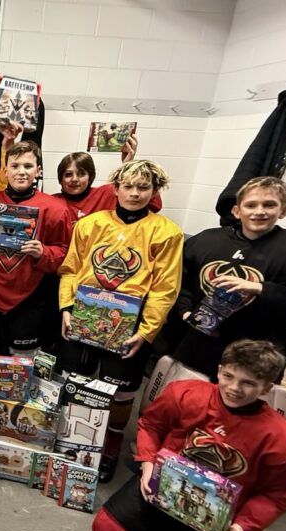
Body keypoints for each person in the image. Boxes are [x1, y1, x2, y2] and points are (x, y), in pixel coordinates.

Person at [92, 340, 286, 531]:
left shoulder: (283, 440)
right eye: (228, 376)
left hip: (217, 515)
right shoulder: (185, 393)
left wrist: (243, 527)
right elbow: (151, 424)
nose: (234, 388)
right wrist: (147, 464)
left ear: (266, 388)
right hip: (163, 488)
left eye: (248, 383)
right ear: (219, 371)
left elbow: (280, 494)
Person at [58, 159, 183, 482]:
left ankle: (112, 437)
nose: (134, 193)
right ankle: (73, 433)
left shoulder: (166, 232)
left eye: (143, 187)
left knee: (121, 389)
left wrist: (147, 330)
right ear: (115, 189)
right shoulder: (90, 225)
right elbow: (71, 269)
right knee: (77, 377)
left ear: (155, 191)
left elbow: (165, 288)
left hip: (131, 321)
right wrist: (66, 308)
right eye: (128, 186)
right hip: (85, 313)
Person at [171, 177, 286, 377]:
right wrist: (184, 311)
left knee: (240, 405)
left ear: (283, 211)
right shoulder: (205, 241)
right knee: (185, 402)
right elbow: (178, 283)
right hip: (197, 347)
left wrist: (260, 288)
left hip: (259, 355)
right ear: (236, 211)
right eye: (251, 205)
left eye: (269, 205)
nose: (259, 211)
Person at [0, 141, 73, 354]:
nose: (21, 172)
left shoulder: (56, 209)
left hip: (31, 294)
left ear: (38, 170)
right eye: (15, 166)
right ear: (5, 170)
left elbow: (64, 252)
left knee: (24, 358)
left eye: (28, 166)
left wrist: (43, 253)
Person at [52, 134, 164, 223]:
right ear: (60, 178)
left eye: (81, 174)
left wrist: (127, 166)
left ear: (90, 177)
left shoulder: (107, 192)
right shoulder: (52, 201)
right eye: (68, 174)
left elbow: (154, 205)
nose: (74, 179)